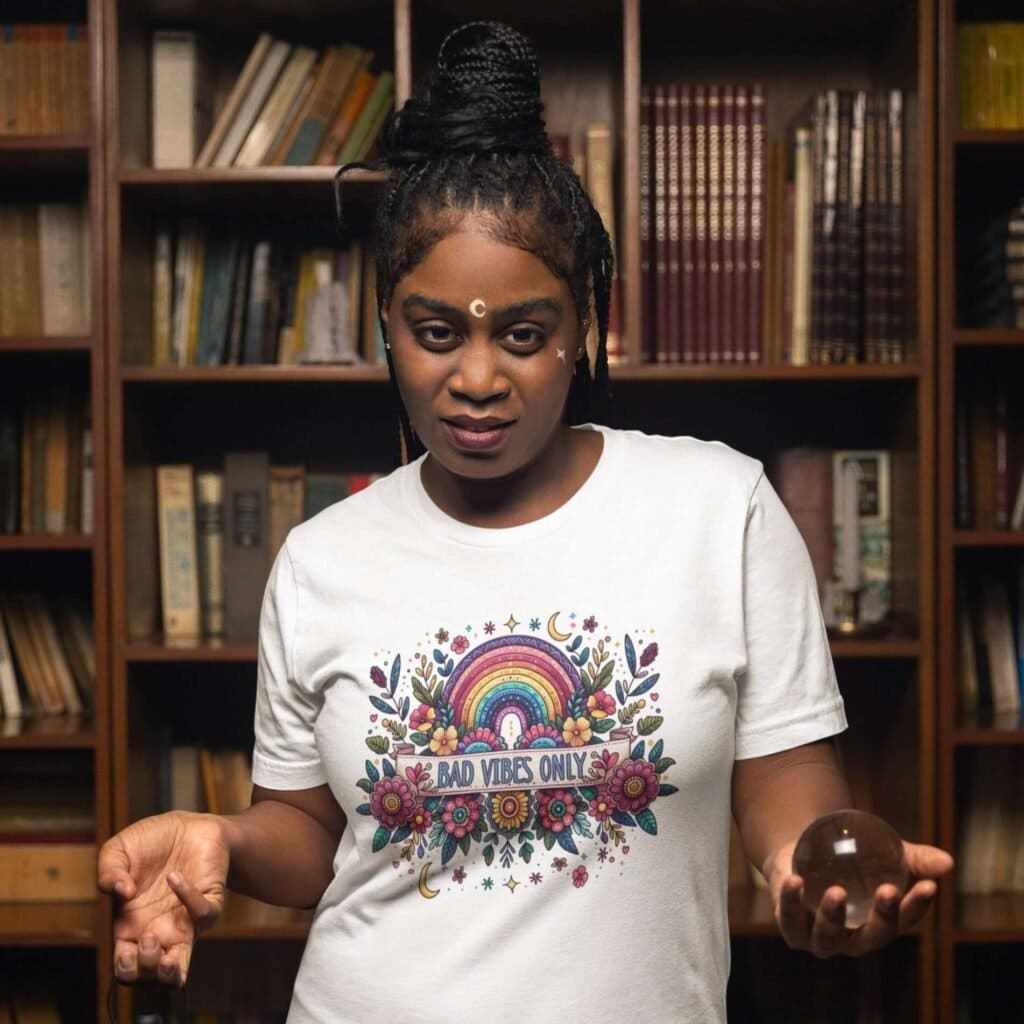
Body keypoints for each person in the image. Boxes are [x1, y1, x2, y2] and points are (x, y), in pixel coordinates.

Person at [98, 20, 953, 1022]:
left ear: (584, 326)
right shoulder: (319, 558)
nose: (474, 378)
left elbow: (789, 795)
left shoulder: (717, 509)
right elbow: (308, 834)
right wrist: (223, 842)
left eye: (522, 334)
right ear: (386, 327)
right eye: (434, 333)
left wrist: (815, 881)